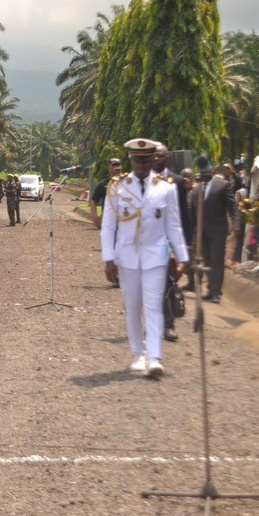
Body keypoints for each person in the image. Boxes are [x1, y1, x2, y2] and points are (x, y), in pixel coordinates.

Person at [101, 138, 188, 377]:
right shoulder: (117, 187)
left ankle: (154, 357)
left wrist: (182, 257)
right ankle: (138, 353)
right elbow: (108, 226)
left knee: (153, 307)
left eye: (147, 159)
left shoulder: (165, 187)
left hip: (155, 256)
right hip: (127, 256)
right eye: (138, 160)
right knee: (133, 307)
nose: (142, 164)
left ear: (153, 160)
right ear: (131, 159)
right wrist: (108, 259)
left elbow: (174, 225)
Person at [152, 144, 191, 342]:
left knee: (168, 283)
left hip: (167, 244)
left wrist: (185, 247)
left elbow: (183, 216)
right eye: (154, 155)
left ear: (168, 158)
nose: (157, 158)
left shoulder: (176, 181)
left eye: (161, 155)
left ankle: (168, 325)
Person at [190, 156, 235, 303]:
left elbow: (232, 207)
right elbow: (193, 216)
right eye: (203, 173)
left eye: (208, 171)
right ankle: (210, 289)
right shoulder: (195, 192)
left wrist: (236, 224)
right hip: (202, 232)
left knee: (216, 261)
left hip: (217, 230)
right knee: (207, 260)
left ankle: (216, 292)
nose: (206, 175)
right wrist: (193, 234)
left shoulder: (222, 185)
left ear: (212, 170)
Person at [89, 157, 122, 229]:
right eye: (113, 165)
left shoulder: (126, 183)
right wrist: (95, 218)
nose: (116, 167)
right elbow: (93, 201)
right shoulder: (103, 184)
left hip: (124, 221)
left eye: (118, 165)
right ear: (109, 168)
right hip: (108, 220)